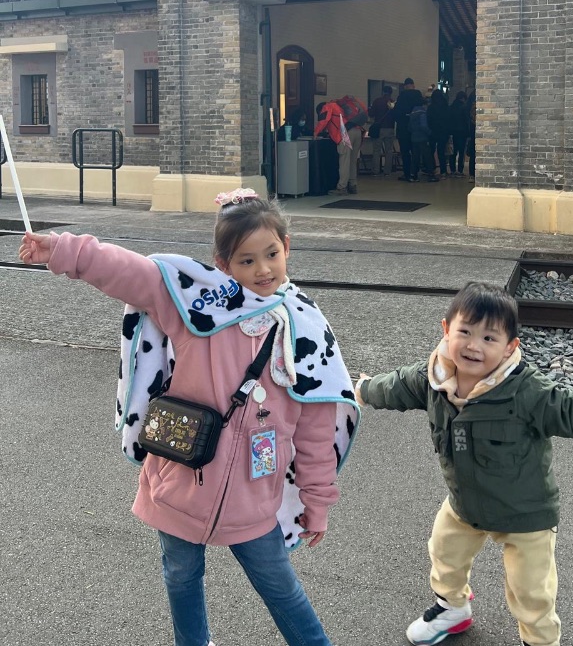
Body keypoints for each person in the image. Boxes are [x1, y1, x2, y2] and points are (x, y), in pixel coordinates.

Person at [19, 189, 359, 646]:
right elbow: (136, 273)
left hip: (254, 497)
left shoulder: (305, 327)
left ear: (287, 247)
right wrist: (63, 250)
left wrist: (317, 502)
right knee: (180, 576)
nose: (262, 269)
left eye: (271, 254)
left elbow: (316, 431)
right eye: (246, 260)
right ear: (222, 265)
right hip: (178, 484)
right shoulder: (197, 309)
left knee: (281, 587)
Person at [356, 281, 573, 646]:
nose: (474, 345)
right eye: (465, 332)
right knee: (444, 552)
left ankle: (540, 641)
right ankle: (451, 608)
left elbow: (572, 408)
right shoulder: (432, 378)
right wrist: (363, 390)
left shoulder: (526, 390)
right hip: (466, 502)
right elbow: (394, 386)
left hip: (526, 513)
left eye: (489, 338)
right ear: (446, 329)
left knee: (530, 591)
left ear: (510, 346)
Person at [314, 97, 364, 195]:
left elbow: (324, 120)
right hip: (357, 132)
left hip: (346, 133)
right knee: (352, 161)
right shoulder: (339, 105)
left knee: (344, 161)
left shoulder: (327, 107)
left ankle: (342, 187)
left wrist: (316, 132)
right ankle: (352, 185)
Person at [392, 78, 425, 182]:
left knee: (405, 152)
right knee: (416, 152)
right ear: (413, 85)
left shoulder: (402, 96)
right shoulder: (418, 96)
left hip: (403, 129)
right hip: (416, 130)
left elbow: (396, 113)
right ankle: (414, 173)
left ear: (405, 86)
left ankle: (407, 173)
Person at [409, 96, 439, 182]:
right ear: (424, 104)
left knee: (415, 157)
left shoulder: (412, 113)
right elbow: (423, 126)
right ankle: (431, 175)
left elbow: (409, 127)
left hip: (414, 137)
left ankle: (413, 175)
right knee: (427, 156)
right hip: (422, 138)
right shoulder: (422, 113)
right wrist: (430, 133)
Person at [368, 85, 396, 175]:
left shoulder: (377, 101)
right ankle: (387, 171)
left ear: (383, 92)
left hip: (379, 129)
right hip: (390, 128)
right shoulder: (393, 102)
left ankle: (375, 171)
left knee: (376, 151)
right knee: (389, 151)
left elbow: (371, 114)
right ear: (391, 93)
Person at [427, 89, 451, 178]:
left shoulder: (431, 107)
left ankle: (431, 169)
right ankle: (443, 171)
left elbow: (428, 119)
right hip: (443, 132)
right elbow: (449, 119)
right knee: (441, 151)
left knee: (431, 151)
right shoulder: (446, 106)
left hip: (433, 132)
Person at [447, 92, 470, 176]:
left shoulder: (451, 107)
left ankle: (452, 170)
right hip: (462, 133)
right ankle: (460, 170)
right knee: (461, 152)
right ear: (463, 98)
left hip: (452, 132)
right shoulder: (464, 107)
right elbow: (466, 121)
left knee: (453, 152)